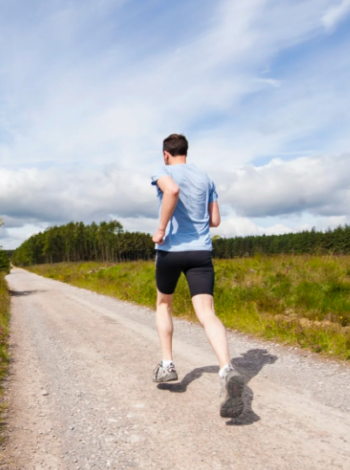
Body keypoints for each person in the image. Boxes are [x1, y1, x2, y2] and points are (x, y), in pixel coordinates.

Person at [150, 133, 244, 419]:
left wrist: (162, 229)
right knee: (206, 312)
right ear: (185, 152)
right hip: (201, 252)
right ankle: (227, 368)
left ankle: (167, 365)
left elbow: (172, 191)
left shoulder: (162, 171)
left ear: (166, 154)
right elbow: (215, 220)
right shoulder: (206, 177)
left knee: (164, 304)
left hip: (171, 251)